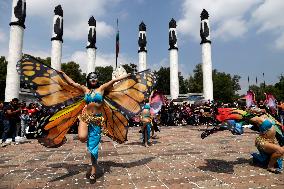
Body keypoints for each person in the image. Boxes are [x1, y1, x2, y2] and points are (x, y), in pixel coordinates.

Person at [60, 71, 130, 182]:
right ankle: (87, 143)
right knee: (82, 137)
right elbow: (73, 83)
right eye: (91, 78)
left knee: (93, 148)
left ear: (97, 79)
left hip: (96, 121)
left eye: (95, 77)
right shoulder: (85, 89)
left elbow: (114, 81)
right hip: (85, 117)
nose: (93, 79)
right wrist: (63, 74)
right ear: (88, 80)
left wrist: (125, 76)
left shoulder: (101, 89)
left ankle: (93, 170)